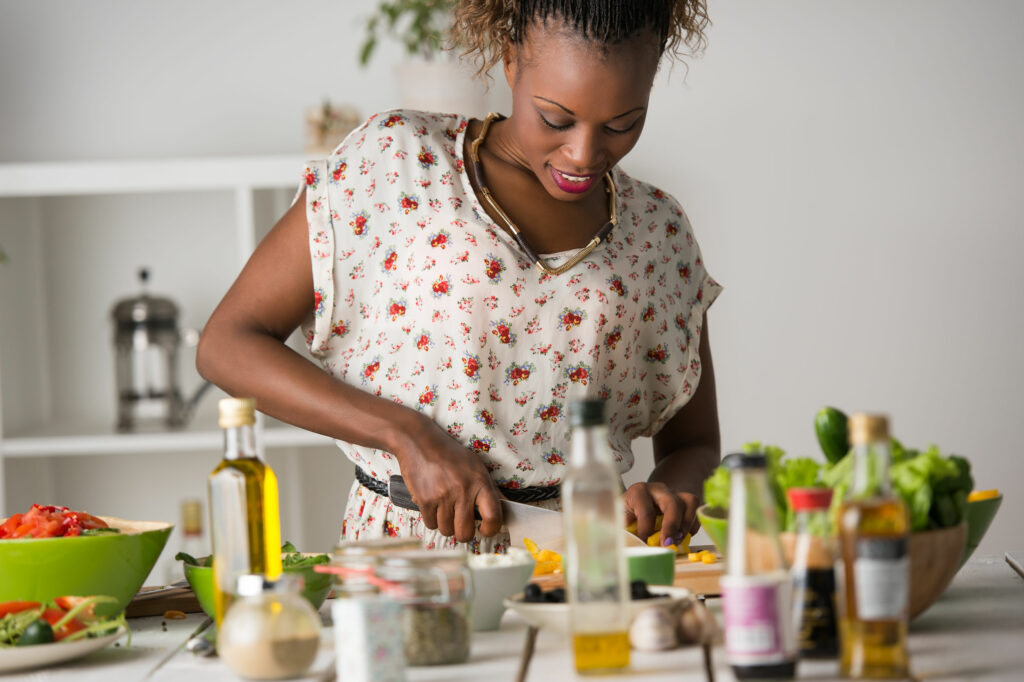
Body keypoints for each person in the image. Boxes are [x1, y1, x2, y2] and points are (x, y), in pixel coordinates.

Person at [196, 0, 720, 553]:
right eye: (555, 118)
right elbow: (226, 346)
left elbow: (697, 444)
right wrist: (406, 435)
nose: (583, 153)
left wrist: (670, 495)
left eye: (622, 124)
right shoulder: (397, 162)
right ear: (510, 59)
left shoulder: (660, 232)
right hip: (412, 563)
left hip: (587, 565)